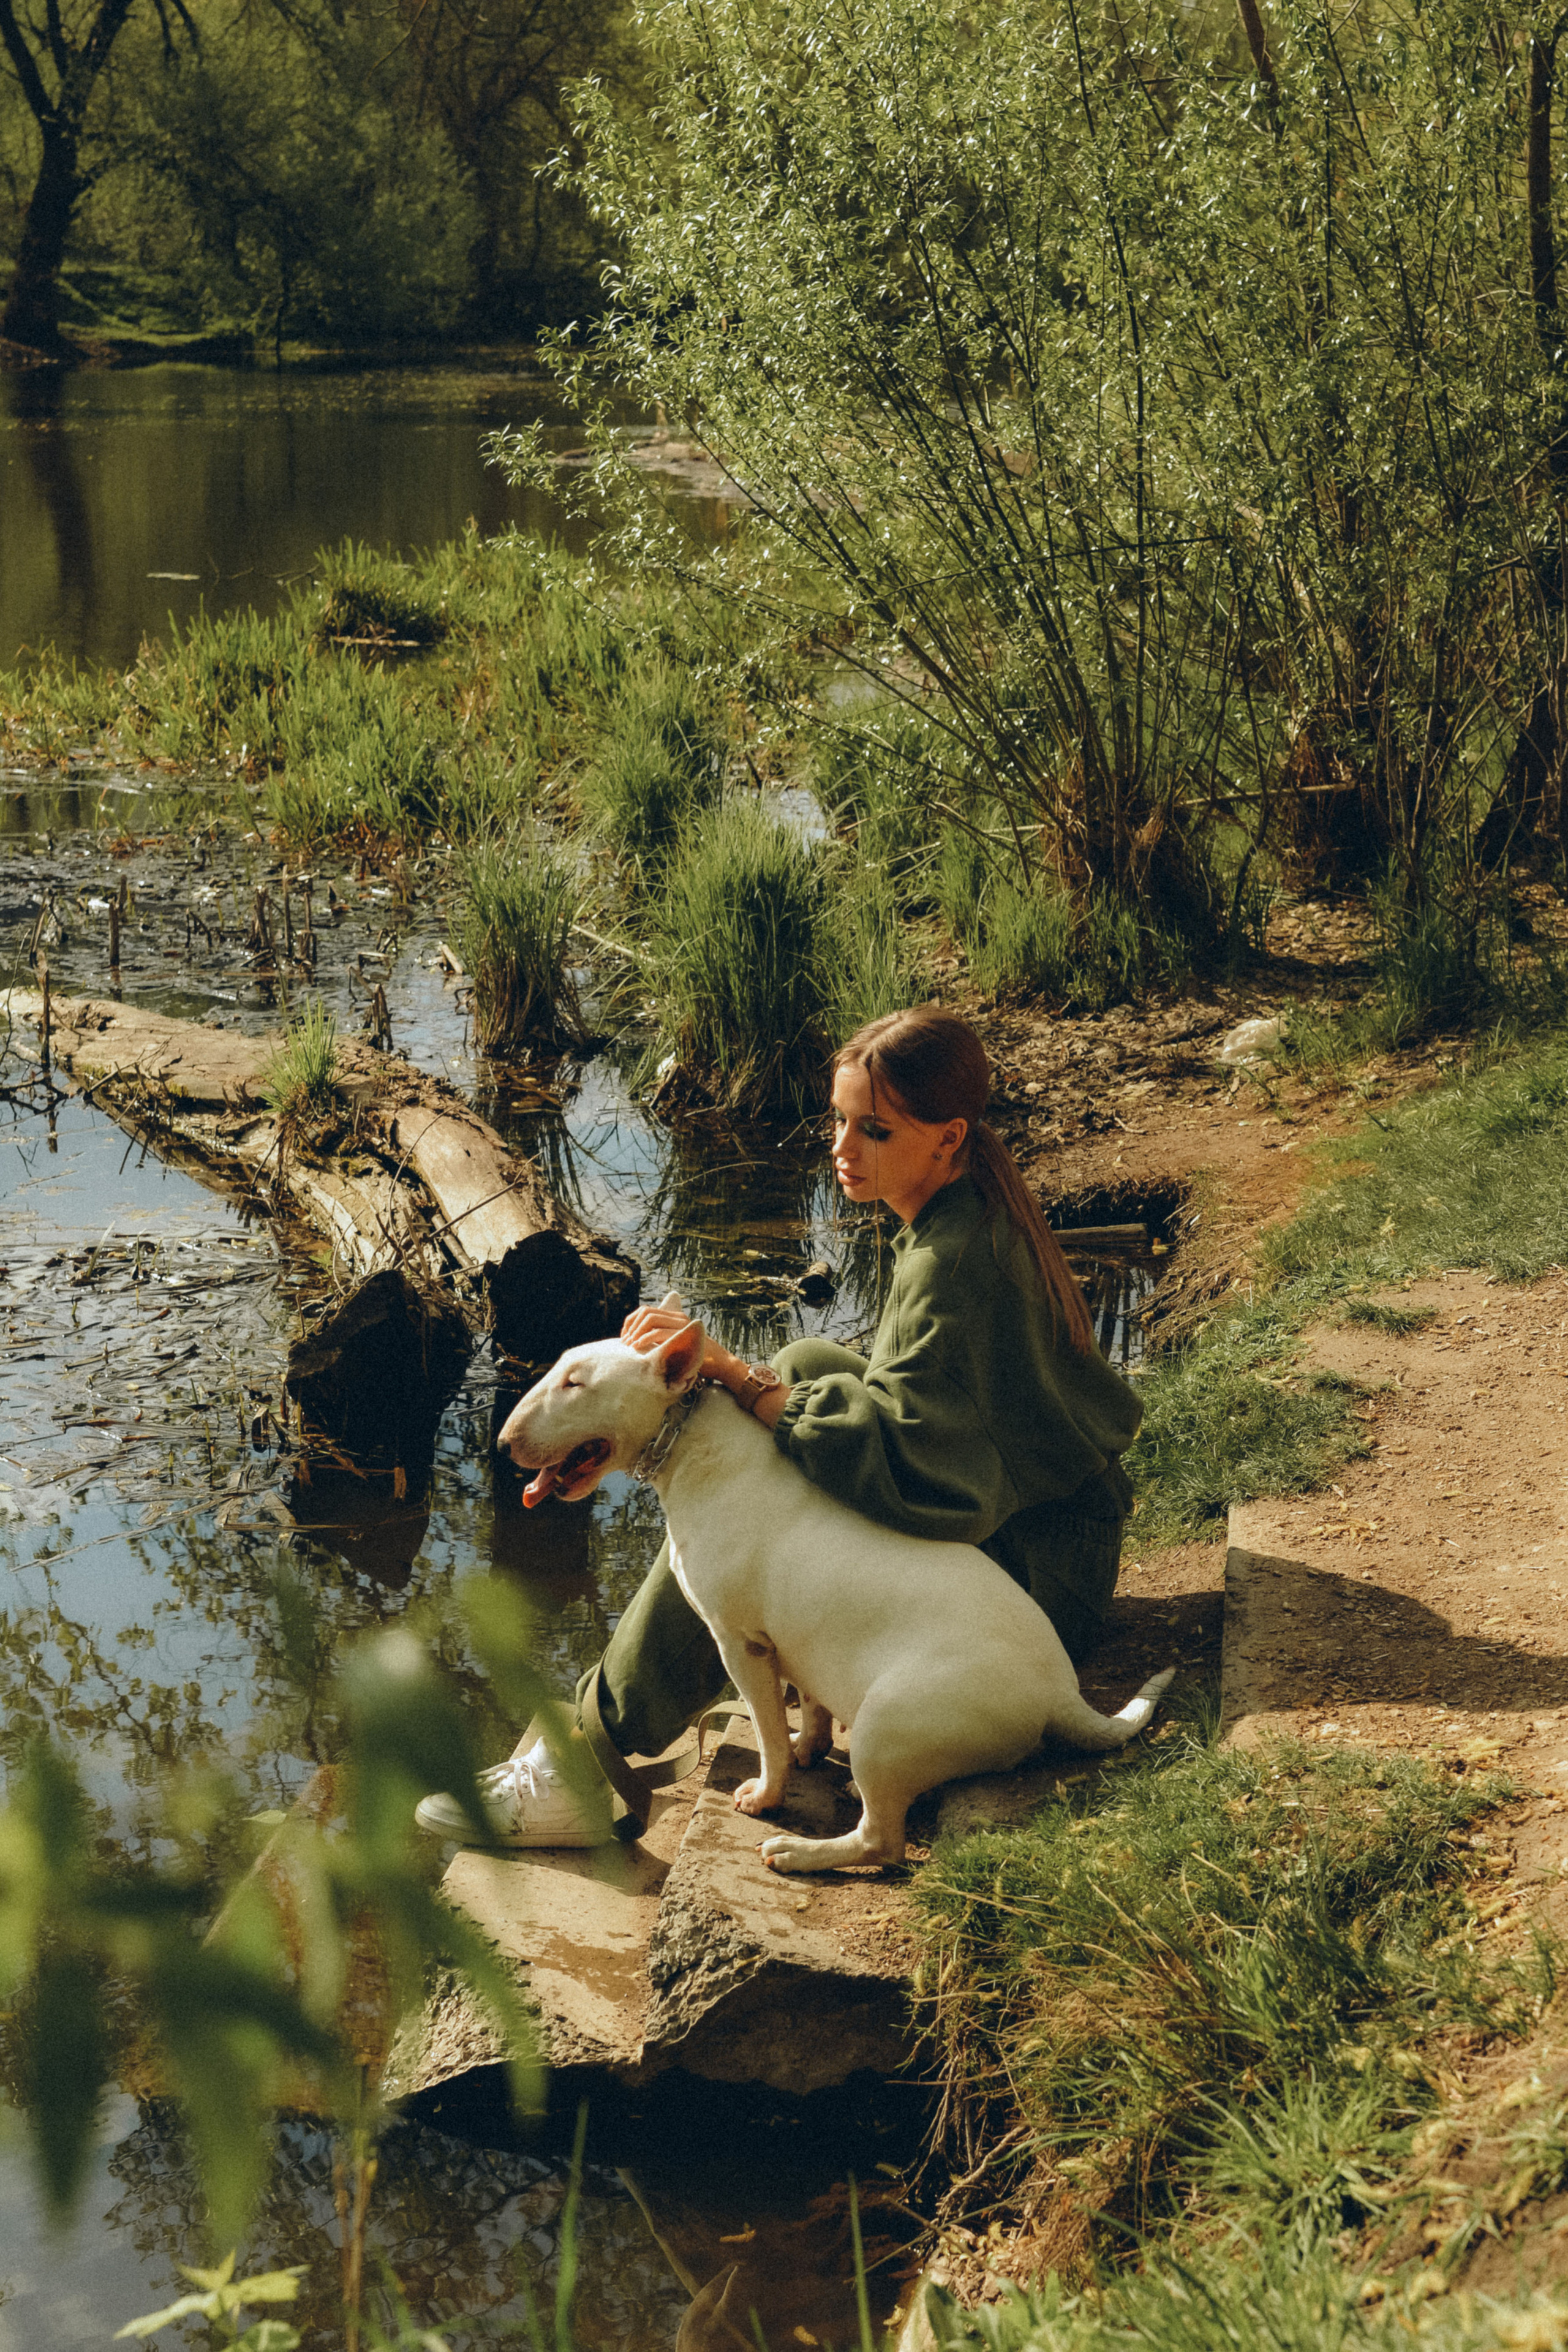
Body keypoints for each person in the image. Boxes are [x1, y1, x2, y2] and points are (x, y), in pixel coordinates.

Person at [417, 1006, 1144, 1845]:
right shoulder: (959, 1209)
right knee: (798, 1367)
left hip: (1039, 1577)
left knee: (736, 1517)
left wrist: (730, 1376)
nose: (843, 1147)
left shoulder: (955, 1267)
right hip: (1051, 1525)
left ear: (947, 1139)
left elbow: (927, 1478)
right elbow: (920, 1413)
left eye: (874, 1129)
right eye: (839, 1120)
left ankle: (591, 1756)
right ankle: (673, 1699)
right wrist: (755, 1385)